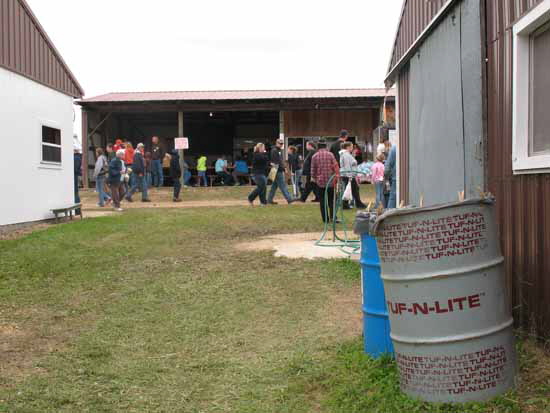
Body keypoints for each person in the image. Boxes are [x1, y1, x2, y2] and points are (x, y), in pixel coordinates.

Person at [311, 142, 340, 223]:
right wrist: (337, 176)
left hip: (320, 182)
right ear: (326, 146)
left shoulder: (314, 156)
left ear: (318, 147)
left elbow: (313, 170)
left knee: (322, 201)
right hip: (331, 181)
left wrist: (314, 178)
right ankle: (333, 217)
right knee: (332, 200)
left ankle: (325, 219)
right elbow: (335, 166)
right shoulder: (330, 155)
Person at [267, 138, 296, 205]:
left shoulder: (278, 150)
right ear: (276, 143)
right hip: (276, 170)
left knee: (274, 187)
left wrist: (284, 167)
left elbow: (280, 161)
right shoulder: (275, 150)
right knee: (283, 186)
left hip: (275, 169)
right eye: (280, 143)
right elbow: (277, 162)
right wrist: (283, 169)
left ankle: (269, 200)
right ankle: (289, 199)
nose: (281, 145)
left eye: (282, 143)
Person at [340, 142, 366, 209]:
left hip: (348, 175)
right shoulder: (345, 155)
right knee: (352, 189)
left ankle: (348, 204)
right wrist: (350, 176)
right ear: (348, 147)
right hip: (348, 175)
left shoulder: (347, 154)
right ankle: (357, 203)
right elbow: (347, 166)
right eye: (351, 147)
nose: (352, 148)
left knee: (352, 189)